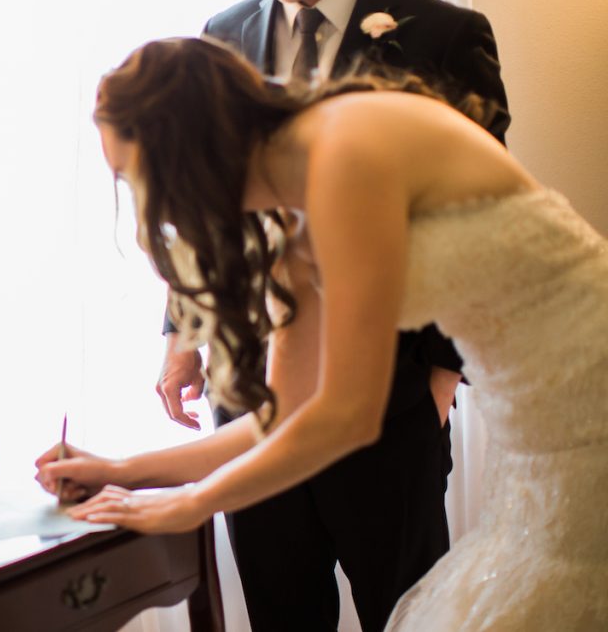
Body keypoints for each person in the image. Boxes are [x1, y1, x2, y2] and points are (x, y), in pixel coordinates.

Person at [36, 37, 607, 631]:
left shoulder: (342, 150)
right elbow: (280, 418)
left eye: (137, 179)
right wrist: (123, 472)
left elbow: (348, 414)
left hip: (593, 382)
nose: (151, 208)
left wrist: (191, 504)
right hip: (534, 420)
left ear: (187, 150)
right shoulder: (291, 214)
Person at [152, 0, 509, 629]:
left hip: (388, 409)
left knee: (409, 616)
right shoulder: (221, 36)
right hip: (252, 404)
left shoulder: (443, 34)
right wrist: (183, 334)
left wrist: (437, 381)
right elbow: (207, 206)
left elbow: (477, 221)